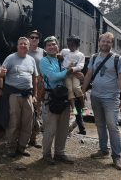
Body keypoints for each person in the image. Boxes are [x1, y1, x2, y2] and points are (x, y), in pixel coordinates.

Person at [82, 32, 121, 170]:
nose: (105, 43)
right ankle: (103, 150)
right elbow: (89, 74)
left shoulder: (117, 59)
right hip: (95, 96)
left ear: (111, 44)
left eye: (108, 42)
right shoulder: (94, 57)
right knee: (100, 124)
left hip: (111, 98)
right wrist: (82, 91)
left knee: (112, 126)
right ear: (99, 42)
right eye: (103, 41)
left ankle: (117, 156)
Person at [0, 37, 37, 156]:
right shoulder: (10, 58)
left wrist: (35, 95)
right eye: (21, 44)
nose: (23, 46)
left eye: (25, 44)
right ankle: (11, 146)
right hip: (13, 95)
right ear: (17, 46)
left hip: (28, 95)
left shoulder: (31, 60)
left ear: (28, 46)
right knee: (13, 122)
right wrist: (1, 73)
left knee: (27, 122)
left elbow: (34, 78)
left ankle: (22, 147)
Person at [39, 36, 74, 165]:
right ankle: (46, 154)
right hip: (51, 97)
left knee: (63, 128)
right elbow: (53, 77)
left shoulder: (61, 59)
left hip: (63, 97)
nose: (52, 47)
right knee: (50, 127)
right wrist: (68, 71)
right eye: (49, 45)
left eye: (54, 44)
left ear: (58, 46)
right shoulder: (44, 61)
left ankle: (60, 153)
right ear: (45, 48)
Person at [27, 30, 45, 148]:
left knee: (37, 110)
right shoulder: (24, 51)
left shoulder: (43, 52)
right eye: (32, 37)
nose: (34, 39)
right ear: (28, 39)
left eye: (36, 38)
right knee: (27, 111)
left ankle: (34, 138)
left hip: (39, 83)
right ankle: (25, 138)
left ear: (39, 40)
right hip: (27, 83)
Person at [60, 35, 85, 111]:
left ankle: (83, 106)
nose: (70, 46)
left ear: (77, 45)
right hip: (66, 73)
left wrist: (73, 68)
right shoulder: (64, 51)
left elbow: (81, 65)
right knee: (69, 89)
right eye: (68, 44)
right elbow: (59, 57)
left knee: (76, 88)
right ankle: (73, 108)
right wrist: (59, 57)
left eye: (72, 45)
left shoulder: (80, 55)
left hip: (75, 74)